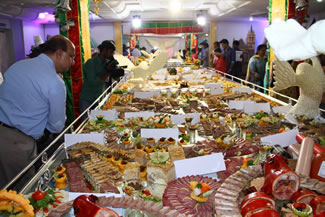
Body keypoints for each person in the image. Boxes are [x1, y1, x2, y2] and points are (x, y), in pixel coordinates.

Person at [0, 35, 75, 189]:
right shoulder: (55, 82)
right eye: (71, 57)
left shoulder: (18, 65)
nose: (72, 62)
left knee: (4, 188)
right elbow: (56, 126)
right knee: (22, 193)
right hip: (19, 144)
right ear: (59, 53)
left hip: (2, 132)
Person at [79, 40, 118, 118]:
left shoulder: (107, 63)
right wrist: (108, 72)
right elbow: (92, 81)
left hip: (99, 98)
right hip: (88, 99)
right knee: (86, 124)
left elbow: (115, 78)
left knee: (98, 123)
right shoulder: (91, 63)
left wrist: (115, 70)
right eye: (111, 52)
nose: (112, 54)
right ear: (104, 50)